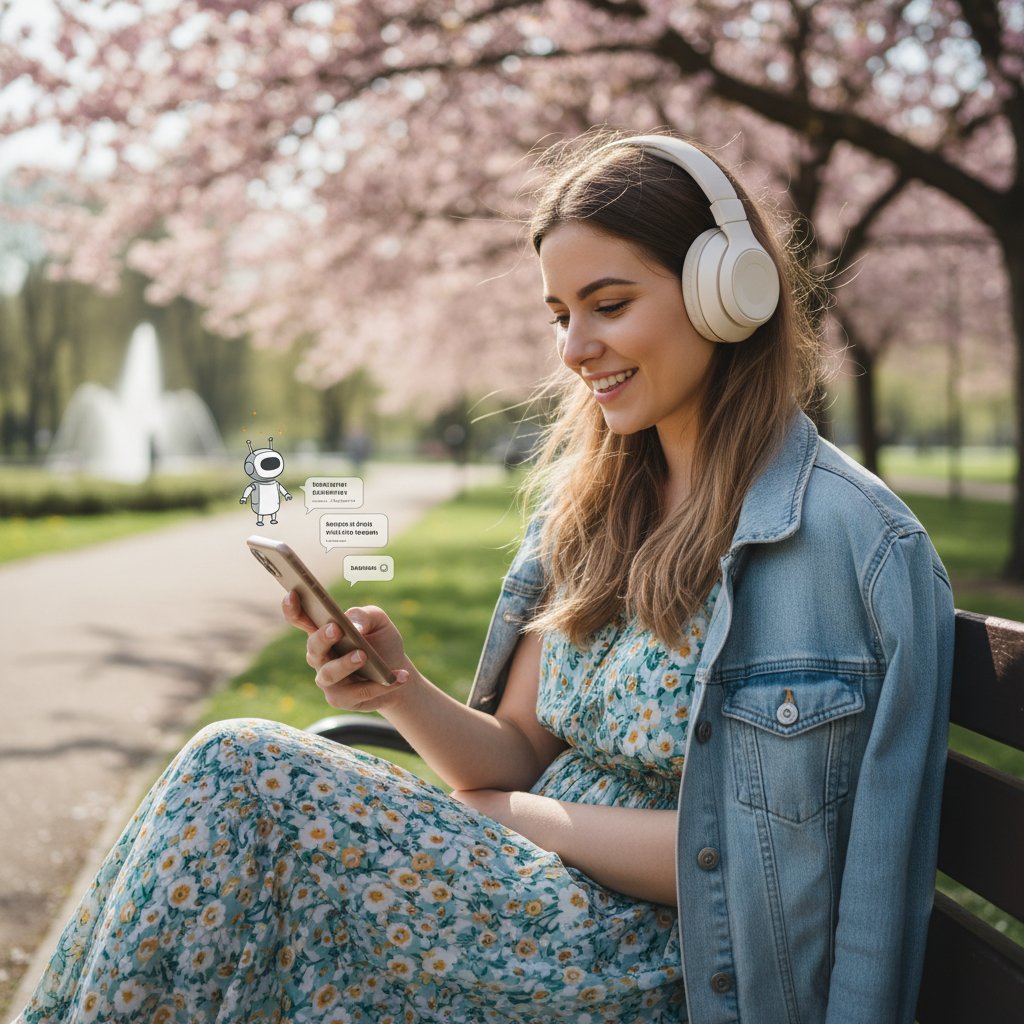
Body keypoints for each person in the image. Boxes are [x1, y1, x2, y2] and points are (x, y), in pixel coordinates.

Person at [13, 131, 954, 1024]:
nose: (572, 347)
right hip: (529, 900)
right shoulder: (599, 506)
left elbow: (763, 861)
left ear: (727, 293)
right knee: (233, 796)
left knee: (240, 773)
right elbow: (514, 748)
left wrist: (516, 817)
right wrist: (400, 691)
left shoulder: (848, 545)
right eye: (559, 314)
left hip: (653, 969)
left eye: (609, 304)